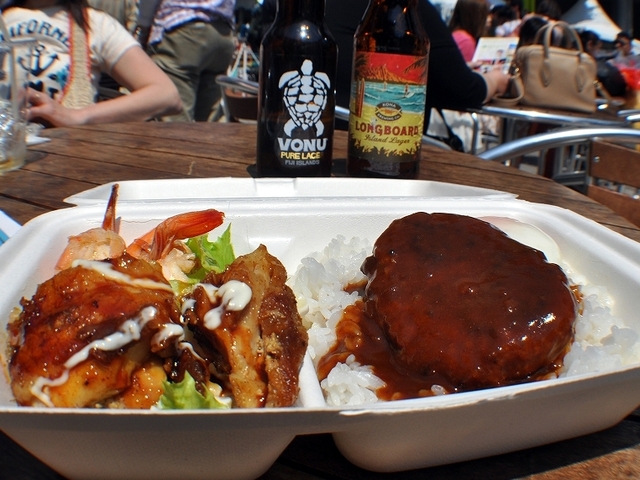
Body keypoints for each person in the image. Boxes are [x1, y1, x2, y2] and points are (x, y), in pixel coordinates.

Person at [325, 0, 510, 131]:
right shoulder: (414, 10)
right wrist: (494, 80)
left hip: (324, 136)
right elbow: (464, 90)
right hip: (372, 142)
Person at [1, 0, 182, 127]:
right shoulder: (6, 16)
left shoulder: (95, 24)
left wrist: (79, 116)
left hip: (66, 156)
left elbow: (166, 95)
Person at [144, 0, 237, 122]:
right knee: (211, 123)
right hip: (223, 32)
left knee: (175, 118)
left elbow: (147, 5)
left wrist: (143, 28)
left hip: (182, 27)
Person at [580, 29, 626, 98]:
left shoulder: (567, 66)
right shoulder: (606, 71)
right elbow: (621, 88)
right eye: (598, 46)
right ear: (590, 44)